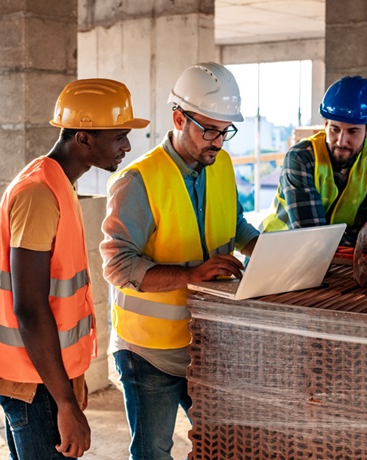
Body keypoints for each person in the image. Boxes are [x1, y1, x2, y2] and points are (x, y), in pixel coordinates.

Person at [0, 78, 149, 459]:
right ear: (83, 138)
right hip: (33, 382)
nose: (127, 146)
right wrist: (65, 404)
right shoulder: (39, 195)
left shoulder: (58, 184)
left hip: (43, 372)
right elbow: (29, 306)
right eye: (119, 136)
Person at [100, 62, 259, 459]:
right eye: (209, 129)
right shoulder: (137, 181)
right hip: (149, 352)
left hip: (209, 343)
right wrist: (192, 275)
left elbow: (233, 223)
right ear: (178, 118)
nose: (219, 142)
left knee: (223, 446)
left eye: (226, 130)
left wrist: (263, 248)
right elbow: (118, 266)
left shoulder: (220, 164)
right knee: (153, 452)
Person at [261, 75, 367, 246]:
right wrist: (361, 242)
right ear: (325, 124)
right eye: (335, 129)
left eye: (352, 131)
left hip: (336, 260)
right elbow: (312, 237)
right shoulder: (301, 158)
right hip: (276, 254)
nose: (341, 141)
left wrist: (366, 243)